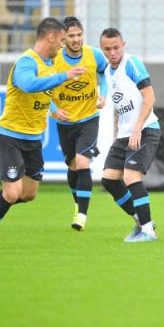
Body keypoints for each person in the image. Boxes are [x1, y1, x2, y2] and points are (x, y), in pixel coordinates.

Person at [0, 17, 86, 250]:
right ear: (50, 37)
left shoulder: (55, 60)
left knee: (27, 194)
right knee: (12, 192)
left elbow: (44, 95)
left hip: (34, 138)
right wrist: (64, 77)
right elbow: (29, 85)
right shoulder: (27, 62)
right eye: (61, 39)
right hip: (11, 136)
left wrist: (55, 111)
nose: (63, 44)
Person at [99, 28, 161, 243]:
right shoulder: (108, 71)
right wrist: (118, 133)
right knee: (108, 179)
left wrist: (137, 128)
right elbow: (119, 105)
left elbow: (150, 97)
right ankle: (141, 220)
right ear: (102, 49)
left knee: (130, 176)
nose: (112, 52)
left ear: (123, 44)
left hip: (145, 130)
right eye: (107, 49)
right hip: (125, 134)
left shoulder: (132, 64)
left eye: (116, 47)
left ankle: (148, 232)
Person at [50, 16, 108, 231]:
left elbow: (103, 73)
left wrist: (103, 94)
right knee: (73, 164)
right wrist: (54, 111)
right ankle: (77, 203)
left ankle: (82, 215)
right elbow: (41, 88)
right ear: (63, 38)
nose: (76, 39)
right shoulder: (54, 59)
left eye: (79, 35)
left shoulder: (94, 55)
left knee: (83, 162)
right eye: (71, 36)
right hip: (65, 122)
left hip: (89, 118)